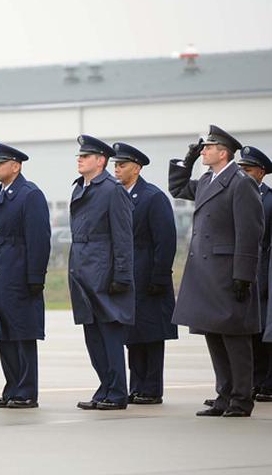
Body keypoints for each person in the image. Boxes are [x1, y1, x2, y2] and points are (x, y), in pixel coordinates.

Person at [170, 125, 263, 417]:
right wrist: (186, 163)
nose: (203, 152)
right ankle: (223, 395)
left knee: (234, 338)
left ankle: (241, 399)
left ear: (223, 153)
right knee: (213, 334)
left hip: (227, 272)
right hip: (206, 273)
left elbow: (250, 232)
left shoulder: (240, 182)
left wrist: (243, 275)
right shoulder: (209, 179)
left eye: (208, 148)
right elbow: (178, 188)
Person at [68, 136, 135, 411]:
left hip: (104, 274)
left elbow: (123, 237)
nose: (80, 159)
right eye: (80, 156)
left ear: (101, 160)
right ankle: (104, 387)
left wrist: (121, 275)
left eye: (87, 155)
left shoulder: (112, 190)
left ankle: (117, 392)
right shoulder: (79, 189)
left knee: (109, 336)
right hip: (83, 271)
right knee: (92, 336)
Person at [0, 143, 51, 409]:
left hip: (19, 277)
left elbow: (39, 239)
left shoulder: (29, 195)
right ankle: (11, 388)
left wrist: (36, 276)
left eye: (1, 163)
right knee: (4, 337)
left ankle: (26, 391)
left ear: (16, 165)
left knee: (22, 336)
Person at [112, 142, 177, 405]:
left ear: (136, 169)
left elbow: (166, 240)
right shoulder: (117, 196)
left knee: (151, 335)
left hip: (149, 276)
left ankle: (151, 388)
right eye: (115, 165)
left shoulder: (152, 197)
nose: (117, 169)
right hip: (129, 278)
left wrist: (160, 276)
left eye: (122, 165)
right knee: (132, 336)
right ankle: (136, 386)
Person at [236, 146, 272, 401]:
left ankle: (267, 382)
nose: (244, 174)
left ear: (261, 172)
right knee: (247, 332)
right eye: (241, 170)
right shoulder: (236, 194)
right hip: (244, 271)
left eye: (248, 170)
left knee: (264, 333)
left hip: (264, 269)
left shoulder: (269, 199)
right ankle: (253, 382)